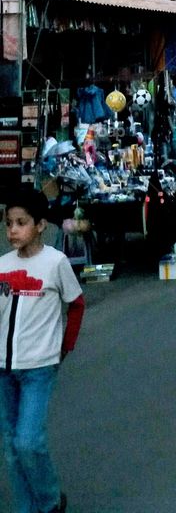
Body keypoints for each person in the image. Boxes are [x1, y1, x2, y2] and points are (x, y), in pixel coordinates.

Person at [0, 187, 85, 513]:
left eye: (21, 222)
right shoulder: (3, 265)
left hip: (39, 368)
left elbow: (76, 304)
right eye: (9, 223)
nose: (13, 230)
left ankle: (50, 502)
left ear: (40, 225)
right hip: (5, 368)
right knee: (11, 446)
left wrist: (65, 346)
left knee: (28, 441)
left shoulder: (55, 262)